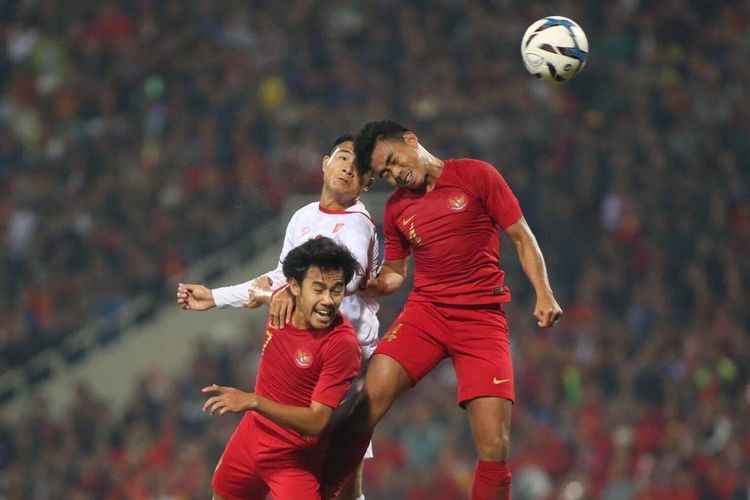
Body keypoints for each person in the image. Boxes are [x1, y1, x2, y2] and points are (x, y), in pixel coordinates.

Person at [320, 120, 563, 500]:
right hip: (426, 315)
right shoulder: (398, 208)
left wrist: (543, 292)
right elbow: (397, 273)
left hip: (482, 320)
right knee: (363, 407)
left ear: (411, 140)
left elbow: (521, 235)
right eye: (385, 173)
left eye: (394, 161)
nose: (396, 174)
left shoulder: (475, 175)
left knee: (494, 448)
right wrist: (371, 282)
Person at [176, 134, 378, 500]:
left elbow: (343, 280)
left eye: (360, 166)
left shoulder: (357, 224)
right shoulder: (303, 216)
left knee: (344, 486)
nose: (349, 167)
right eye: (343, 157)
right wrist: (218, 296)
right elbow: (280, 275)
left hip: (344, 364)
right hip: (299, 348)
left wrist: (289, 293)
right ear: (324, 163)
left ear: (368, 182)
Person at [203, 237, 362, 500]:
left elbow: (317, 421)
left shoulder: (341, 345)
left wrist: (254, 401)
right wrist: (210, 296)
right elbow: (256, 291)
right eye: (319, 288)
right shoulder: (281, 304)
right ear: (295, 287)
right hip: (251, 436)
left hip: (294, 457)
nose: (329, 300)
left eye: (337, 290)